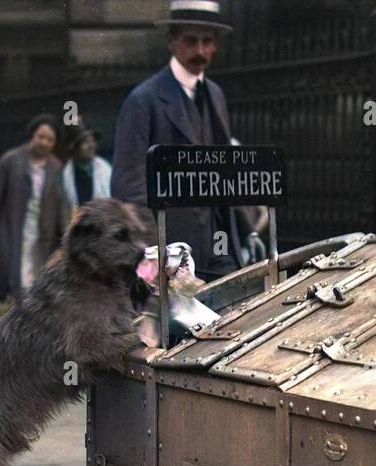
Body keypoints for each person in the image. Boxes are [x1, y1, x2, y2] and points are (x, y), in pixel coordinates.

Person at [111, 0, 258, 281]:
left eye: (207, 41)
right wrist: (158, 250)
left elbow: (226, 172)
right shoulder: (144, 100)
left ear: (215, 44)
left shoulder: (215, 94)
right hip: (172, 250)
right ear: (172, 40)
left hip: (218, 239)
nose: (200, 51)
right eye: (190, 41)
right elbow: (127, 185)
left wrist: (247, 229)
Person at [0, 115, 69, 300]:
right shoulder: (10, 160)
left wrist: (67, 237)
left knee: (38, 280)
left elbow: (62, 205)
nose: (44, 142)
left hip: (43, 232)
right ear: (32, 135)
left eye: (49, 139)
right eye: (40, 136)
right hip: (14, 229)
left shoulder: (56, 167)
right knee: (17, 276)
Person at [61, 127, 112, 208]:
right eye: (86, 142)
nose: (91, 146)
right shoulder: (65, 174)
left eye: (93, 141)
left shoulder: (105, 169)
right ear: (75, 148)